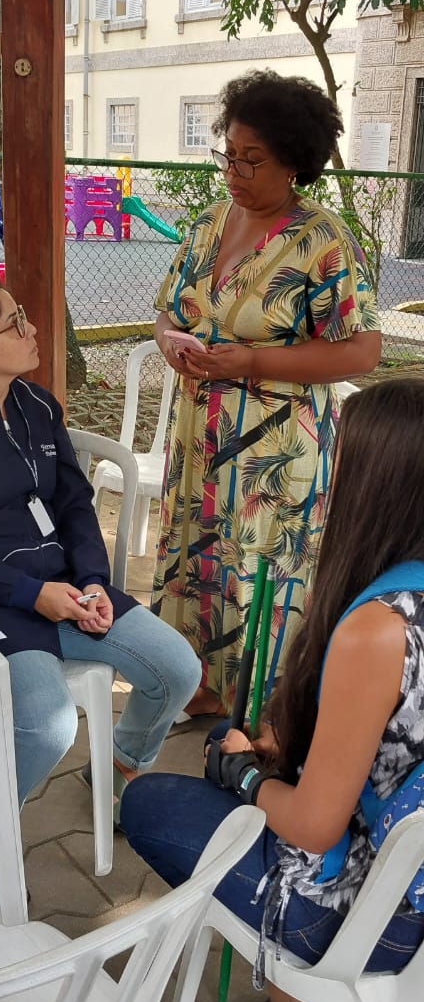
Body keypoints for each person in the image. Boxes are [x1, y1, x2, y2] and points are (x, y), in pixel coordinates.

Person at [121, 378, 424, 1002]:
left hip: (371, 916)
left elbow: (315, 826)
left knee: (151, 801)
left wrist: (244, 776)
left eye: (338, 458)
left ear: (376, 485)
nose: (326, 479)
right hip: (408, 875)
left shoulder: (380, 629)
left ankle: (294, 992)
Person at [0, 280, 201, 905]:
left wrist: (91, 579)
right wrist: (32, 594)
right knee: (46, 725)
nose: (33, 328)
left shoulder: (37, 404)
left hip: (68, 585)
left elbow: (73, 502)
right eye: (16, 322)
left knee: (177, 670)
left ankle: (117, 768)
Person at [153, 69, 381, 717]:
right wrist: (170, 341)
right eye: (228, 153)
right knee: (198, 556)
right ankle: (197, 685)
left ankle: (257, 713)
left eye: (251, 159)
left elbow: (362, 350)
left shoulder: (323, 241)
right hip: (199, 435)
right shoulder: (208, 224)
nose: (233, 171)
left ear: (293, 162)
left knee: (260, 572)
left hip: (273, 451)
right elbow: (167, 311)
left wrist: (253, 359)